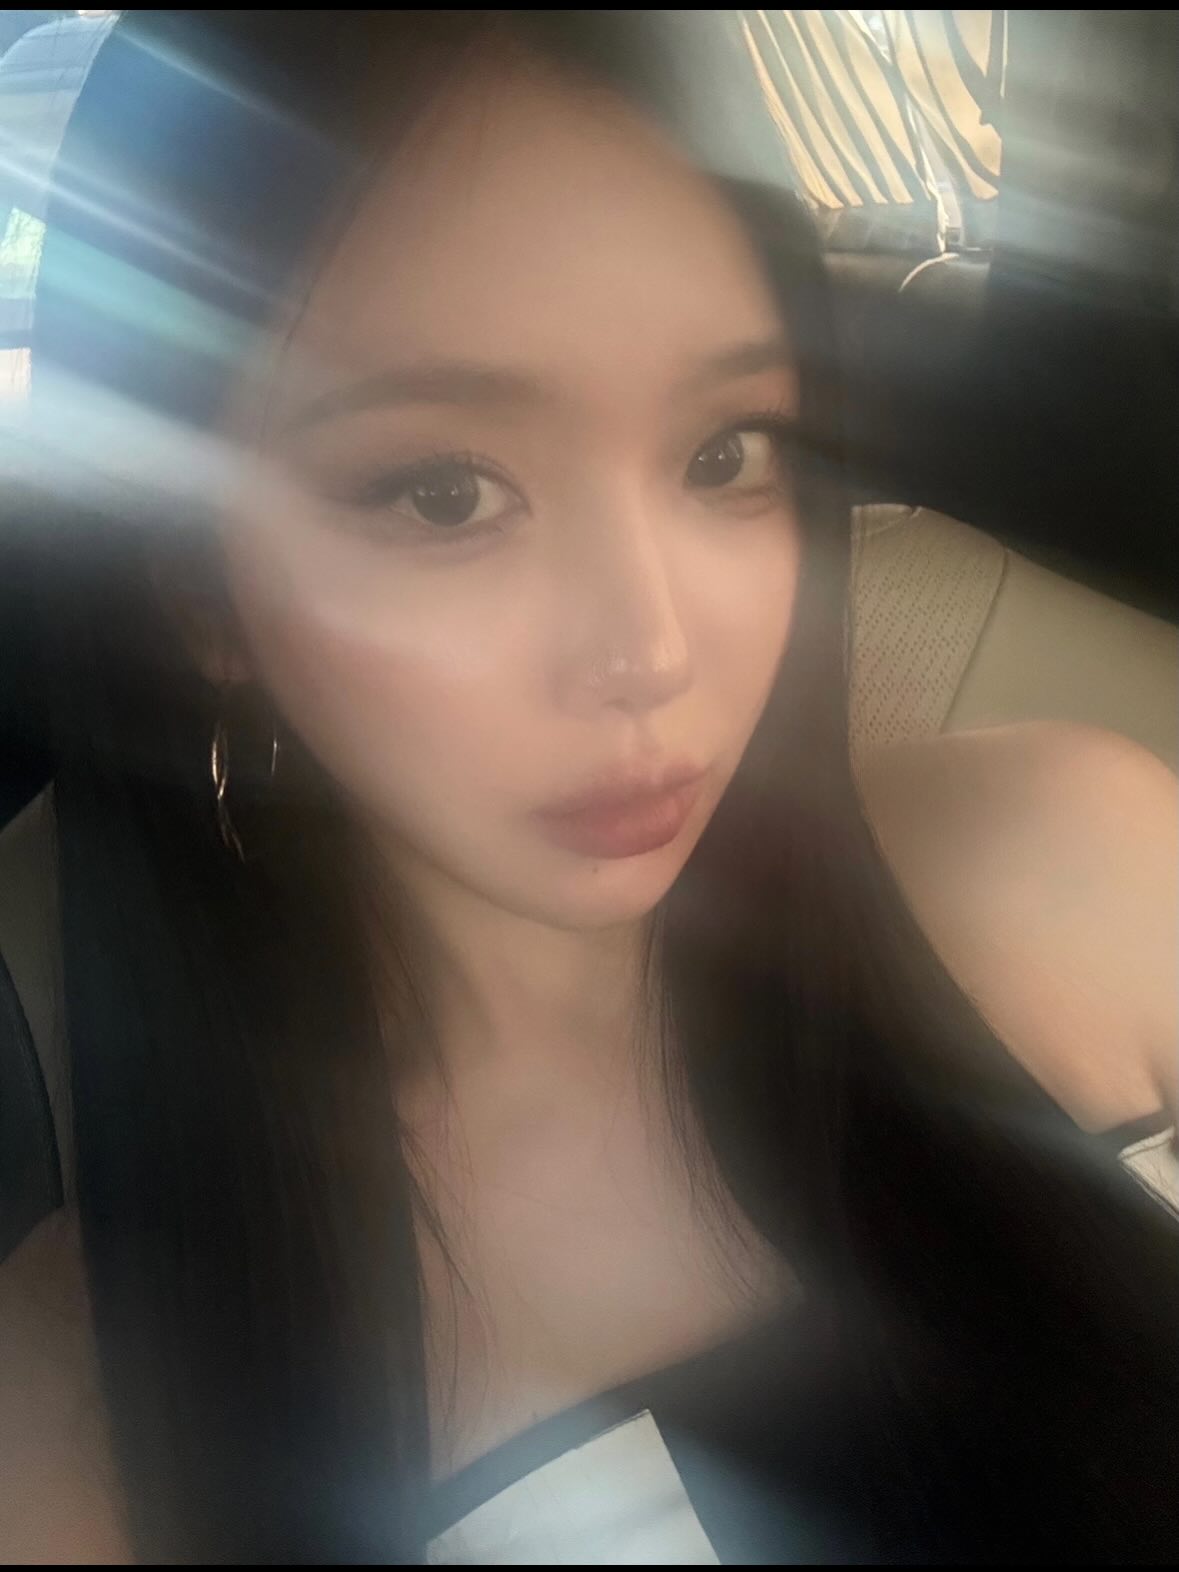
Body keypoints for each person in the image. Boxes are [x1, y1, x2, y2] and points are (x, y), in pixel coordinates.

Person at [1, 10, 1176, 1564]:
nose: (652, 649)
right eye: (446, 493)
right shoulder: (85, 1411)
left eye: (725, 453)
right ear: (197, 592)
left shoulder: (1085, 855)